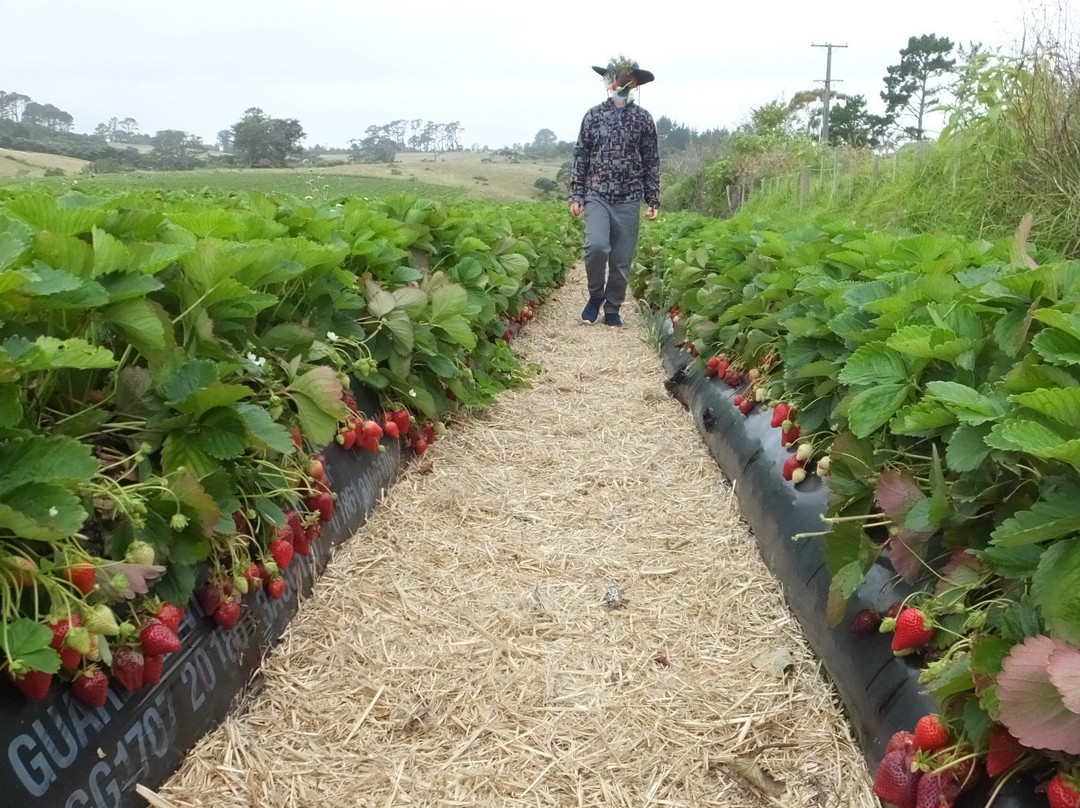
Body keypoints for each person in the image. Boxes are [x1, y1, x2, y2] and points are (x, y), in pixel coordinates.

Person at [569, 55, 660, 328]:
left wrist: (652, 198)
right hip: (597, 193)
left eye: (628, 80)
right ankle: (596, 296)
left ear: (635, 84)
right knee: (595, 247)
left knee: (621, 260)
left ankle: (612, 307)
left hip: (630, 196)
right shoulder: (594, 116)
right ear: (610, 84)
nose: (622, 84)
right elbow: (581, 155)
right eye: (617, 79)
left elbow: (651, 160)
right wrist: (577, 194)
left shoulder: (644, 119)